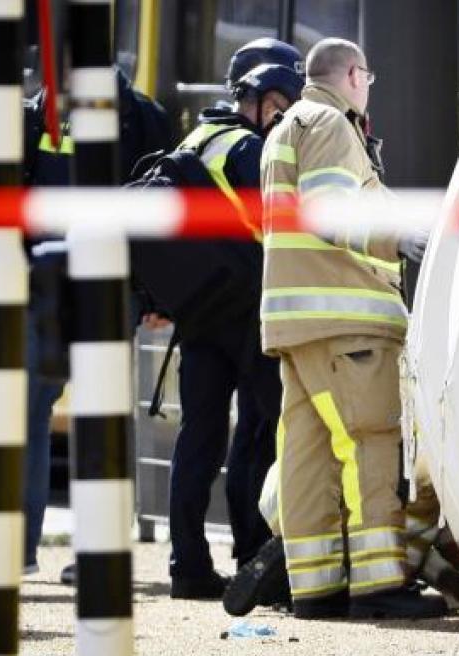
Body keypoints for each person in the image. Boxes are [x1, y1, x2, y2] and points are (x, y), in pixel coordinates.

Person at [256, 37, 441, 621]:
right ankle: (379, 581)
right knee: (370, 442)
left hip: (298, 320)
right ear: (356, 75)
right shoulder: (332, 125)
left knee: (307, 453)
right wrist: (400, 237)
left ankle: (314, 587)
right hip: (347, 320)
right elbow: (331, 210)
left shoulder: (286, 128)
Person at [158, 60, 306, 600]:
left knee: (198, 438)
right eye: (285, 106)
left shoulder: (197, 137)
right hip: (247, 308)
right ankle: (256, 558)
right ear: (267, 100)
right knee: (273, 427)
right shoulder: (246, 148)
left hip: (200, 313)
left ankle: (188, 565)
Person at [20, 66, 173, 581]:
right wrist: (158, 292)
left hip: (45, 280)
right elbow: (159, 207)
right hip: (112, 285)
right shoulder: (144, 115)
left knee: (30, 414)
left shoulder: (38, 110)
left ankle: (17, 549)